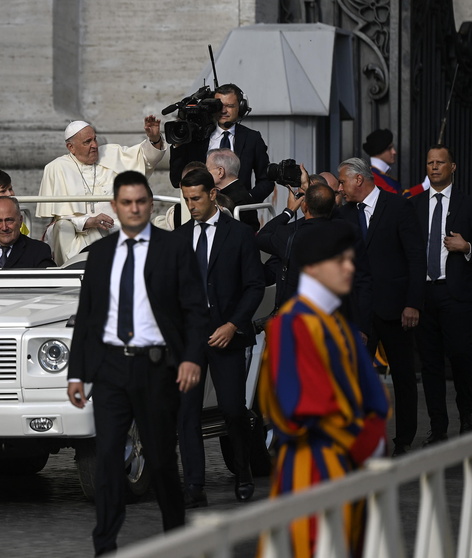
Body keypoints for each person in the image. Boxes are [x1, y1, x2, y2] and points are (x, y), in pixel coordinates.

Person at [66, 170, 208, 556]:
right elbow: (88, 316)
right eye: (126, 203)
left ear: (150, 204)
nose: (134, 208)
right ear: (115, 206)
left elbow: (195, 310)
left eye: (141, 201)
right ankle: (105, 545)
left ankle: (177, 539)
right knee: (109, 459)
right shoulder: (99, 255)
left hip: (156, 368)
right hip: (110, 369)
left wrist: (192, 358)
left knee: (161, 461)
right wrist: (76, 372)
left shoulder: (174, 248)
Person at [258, 219, 389, 558]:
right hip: (312, 472)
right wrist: (368, 441)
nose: (350, 267)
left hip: (349, 470)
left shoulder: (338, 324)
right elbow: (302, 409)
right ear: (313, 267)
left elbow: (375, 397)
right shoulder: (292, 324)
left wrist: (372, 435)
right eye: (340, 260)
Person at [174, 168, 265, 507]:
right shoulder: (180, 237)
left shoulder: (239, 234)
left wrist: (233, 325)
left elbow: (254, 285)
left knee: (233, 409)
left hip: (227, 331)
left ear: (212, 194)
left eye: (195, 198)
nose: (191, 205)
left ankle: (243, 473)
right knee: (187, 413)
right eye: (186, 199)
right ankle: (194, 486)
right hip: (190, 337)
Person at [338, 157, 425, 456]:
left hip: (395, 307)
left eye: (343, 181)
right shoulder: (344, 214)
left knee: (402, 376)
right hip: (360, 312)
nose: (340, 187)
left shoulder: (398, 206)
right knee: (356, 377)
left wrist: (412, 303)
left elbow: (416, 257)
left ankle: (403, 441)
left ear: (358, 180)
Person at [36, 116, 166, 264]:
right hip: (79, 234)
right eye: (87, 142)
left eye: (94, 139)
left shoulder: (111, 153)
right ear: (71, 148)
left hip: (118, 226)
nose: (94, 145)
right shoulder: (58, 167)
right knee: (63, 227)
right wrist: (88, 221)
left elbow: (145, 159)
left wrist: (154, 139)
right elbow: (60, 216)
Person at [413, 145, 472, 443]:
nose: (434, 167)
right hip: (424, 294)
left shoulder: (467, 203)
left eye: (440, 163)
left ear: (453, 167)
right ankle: (438, 430)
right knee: (430, 365)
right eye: (430, 163)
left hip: (455, 293)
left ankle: (467, 424)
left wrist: (468, 248)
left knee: (462, 359)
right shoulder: (414, 205)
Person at [169, 83, 274, 201]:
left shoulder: (252, 138)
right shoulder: (199, 137)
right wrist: (178, 143)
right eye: (220, 106)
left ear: (241, 107)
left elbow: (266, 180)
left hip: (239, 212)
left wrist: (247, 199)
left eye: (230, 106)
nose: (224, 111)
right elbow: (177, 180)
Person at [205, 148, 260, 231]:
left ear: (220, 172)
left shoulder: (236, 199)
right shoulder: (241, 193)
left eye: (207, 170)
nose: (205, 174)